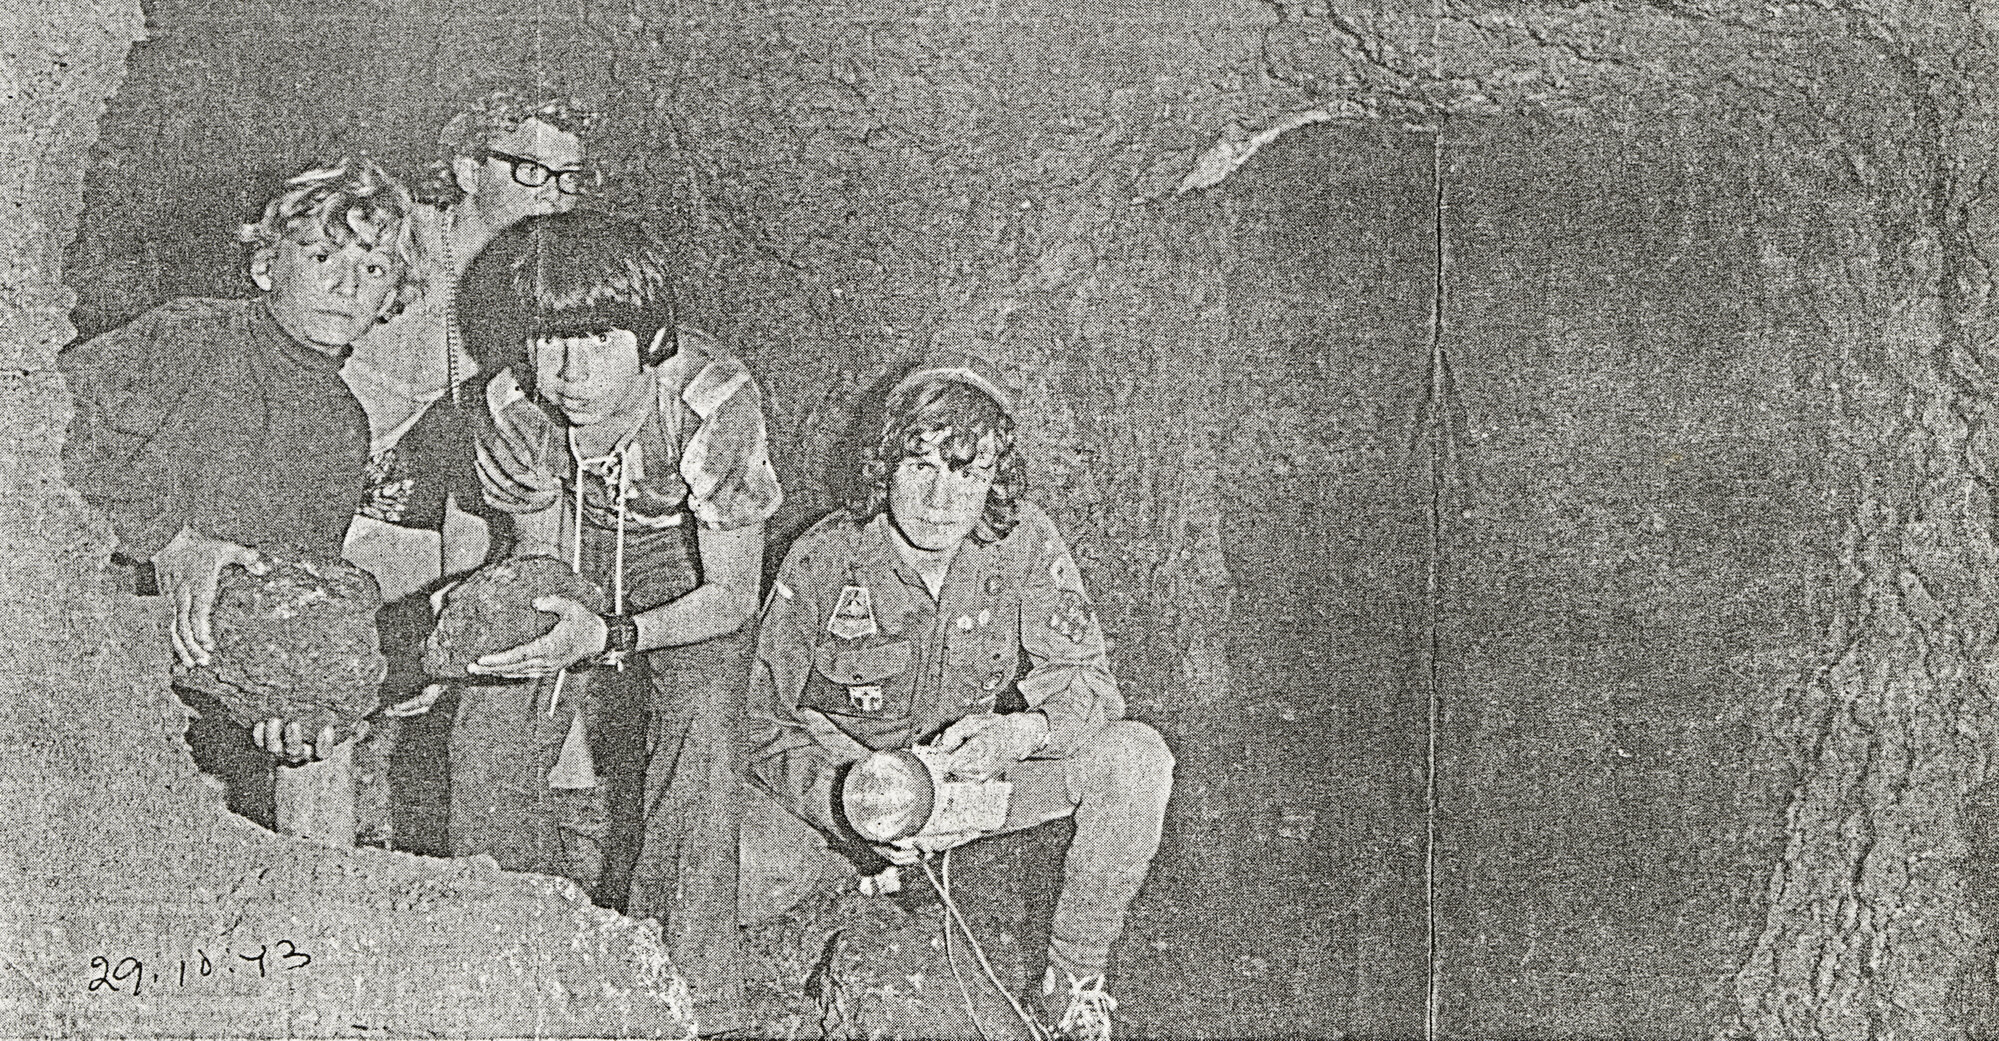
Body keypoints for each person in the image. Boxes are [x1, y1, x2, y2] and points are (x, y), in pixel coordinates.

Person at [742, 358, 1175, 1041]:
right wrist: (842, 803)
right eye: (921, 465)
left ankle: (1070, 984)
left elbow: (1090, 687)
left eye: (967, 471)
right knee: (743, 876)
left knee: (1134, 759)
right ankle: (852, 879)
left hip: (964, 787)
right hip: (846, 788)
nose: (942, 499)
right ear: (883, 467)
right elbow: (758, 717)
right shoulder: (824, 557)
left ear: (994, 478)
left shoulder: (1022, 541)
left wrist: (1019, 734)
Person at [464, 210, 782, 1035]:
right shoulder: (513, 405)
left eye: (598, 337)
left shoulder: (713, 402)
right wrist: (548, 631)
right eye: (547, 338)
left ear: (648, 336)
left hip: (686, 559)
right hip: (577, 538)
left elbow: (732, 595)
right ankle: (516, 956)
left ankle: (689, 991)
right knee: (494, 710)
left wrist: (613, 636)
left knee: (704, 715)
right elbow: (540, 563)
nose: (567, 369)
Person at [61, 157, 422, 833]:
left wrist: (288, 695)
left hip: (203, 649)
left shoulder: (343, 424)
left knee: (318, 733)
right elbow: (37, 417)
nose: (346, 284)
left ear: (391, 297)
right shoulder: (188, 333)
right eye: (321, 255)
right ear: (266, 268)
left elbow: (294, 578)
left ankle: (318, 925)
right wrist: (169, 537)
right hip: (93, 610)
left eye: (373, 269)